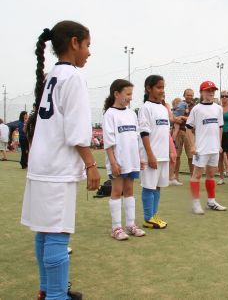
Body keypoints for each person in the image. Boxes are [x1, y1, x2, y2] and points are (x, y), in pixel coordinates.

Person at [21, 21, 100, 300]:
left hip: (41, 164)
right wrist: (91, 164)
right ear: (75, 43)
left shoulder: (52, 75)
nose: (89, 52)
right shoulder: (74, 77)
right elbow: (77, 132)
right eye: (88, 45)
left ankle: (46, 290)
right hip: (57, 168)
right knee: (57, 233)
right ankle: (56, 296)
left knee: (44, 231)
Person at [102, 79, 146, 240]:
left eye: (131, 94)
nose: (130, 97)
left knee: (129, 191)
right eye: (128, 94)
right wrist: (113, 163)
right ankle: (116, 228)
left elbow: (136, 138)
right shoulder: (110, 114)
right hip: (118, 162)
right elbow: (108, 142)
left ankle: (130, 225)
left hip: (131, 161)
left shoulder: (131, 113)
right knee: (116, 192)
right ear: (116, 94)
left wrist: (139, 158)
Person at [186, 80, 227, 214]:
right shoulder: (196, 109)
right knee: (196, 175)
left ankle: (211, 202)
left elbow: (220, 128)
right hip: (201, 149)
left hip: (214, 148)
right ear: (202, 92)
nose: (211, 93)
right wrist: (192, 146)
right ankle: (195, 204)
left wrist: (219, 145)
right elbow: (188, 128)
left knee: (211, 175)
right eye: (208, 90)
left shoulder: (218, 108)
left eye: (212, 90)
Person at [139, 75, 174, 229]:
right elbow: (144, 133)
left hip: (163, 155)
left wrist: (170, 151)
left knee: (158, 186)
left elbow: (165, 132)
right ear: (148, 88)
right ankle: (148, 218)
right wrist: (150, 155)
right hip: (150, 156)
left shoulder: (163, 108)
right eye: (158, 87)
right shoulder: (145, 108)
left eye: (163, 87)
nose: (162, 91)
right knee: (148, 186)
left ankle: (154, 215)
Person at [171, 89, 196, 185]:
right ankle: (175, 177)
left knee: (191, 157)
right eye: (188, 95)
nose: (189, 97)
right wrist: (176, 119)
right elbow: (173, 116)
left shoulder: (195, 106)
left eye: (191, 95)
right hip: (178, 132)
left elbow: (193, 119)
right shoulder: (179, 105)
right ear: (184, 95)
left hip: (189, 133)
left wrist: (182, 118)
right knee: (177, 156)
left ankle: (193, 177)